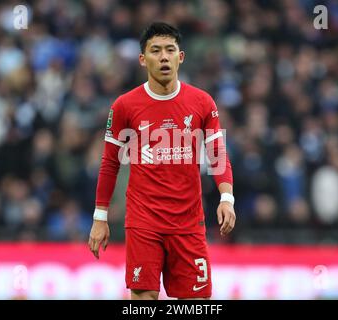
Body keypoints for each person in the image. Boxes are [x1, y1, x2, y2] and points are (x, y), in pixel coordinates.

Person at [88, 22, 236, 300]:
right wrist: (100, 217)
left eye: (170, 50)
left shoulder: (202, 102)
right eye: (155, 50)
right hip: (144, 221)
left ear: (181, 56)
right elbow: (110, 163)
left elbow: (217, 154)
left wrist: (226, 198)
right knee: (143, 299)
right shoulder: (125, 106)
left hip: (189, 223)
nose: (164, 57)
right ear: (143, 59)